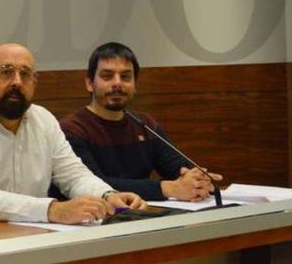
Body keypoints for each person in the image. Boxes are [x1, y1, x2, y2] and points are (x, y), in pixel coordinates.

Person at [0, 43, 145, 225]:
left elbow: (74, 175)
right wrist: (53, 210)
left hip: (34, 233)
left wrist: (107, 195)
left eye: (25, 74)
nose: (17, 82)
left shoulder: (43, 119)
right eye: (6, 72)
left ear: (35, 83)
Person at [59, 42, 222, 202]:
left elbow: (177, 167)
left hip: (144, 215)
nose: (117, 83)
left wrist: (197, 180)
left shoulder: (146, 125)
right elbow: (91, 184)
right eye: (107, 76)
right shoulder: (72, 129)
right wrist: (167, 188)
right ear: (89, 83)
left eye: (125, 77)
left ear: (135, 84)